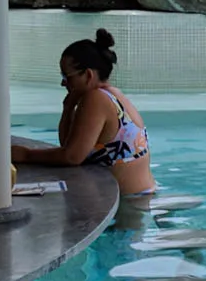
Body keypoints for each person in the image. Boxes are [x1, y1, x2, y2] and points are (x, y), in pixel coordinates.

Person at [13, 29, 157, 197]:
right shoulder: (113, 94)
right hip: (143, 195)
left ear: (88, 75)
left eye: (67, 76)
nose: (63, 83)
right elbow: (69, 145)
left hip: (129, 203)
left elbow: (72, 157)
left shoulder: (96, 99)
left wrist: (26, 155)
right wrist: (68, 108)